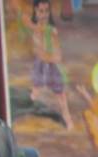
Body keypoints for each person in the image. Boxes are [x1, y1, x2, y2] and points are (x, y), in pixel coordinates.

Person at [21, 0, 73, 129]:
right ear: (36, 11)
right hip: (40, 65)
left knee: (60, 95)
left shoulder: (50, 30)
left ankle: (68, 119)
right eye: (41, 11)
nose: (44, 14)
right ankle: (26, 114)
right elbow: (35, 33)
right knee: (35, 91)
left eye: (46, 11)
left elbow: (56, 53)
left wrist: (49, 56)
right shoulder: (37, 28)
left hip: (51, 65)